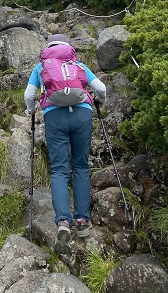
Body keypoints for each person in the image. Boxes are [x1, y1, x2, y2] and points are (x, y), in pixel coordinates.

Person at [24, 33, 106, 254]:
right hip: (82, 115)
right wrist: (100, 100)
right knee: (80, 166)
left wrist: (31, 109)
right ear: (67, 47)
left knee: (59, 169)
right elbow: (102, 88)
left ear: (49, 47)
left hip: (55, 117)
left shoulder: (41, 68)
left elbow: (29, 94)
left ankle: (62, 221)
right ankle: (82, 221)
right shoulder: (78, 65)